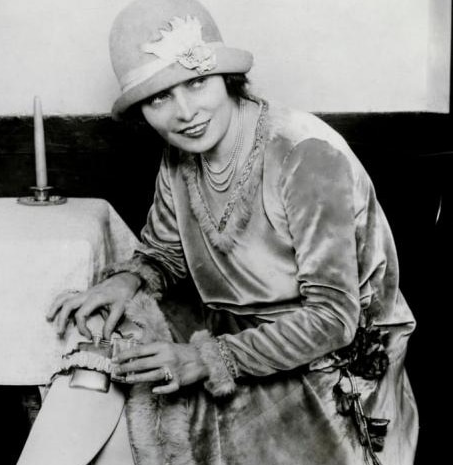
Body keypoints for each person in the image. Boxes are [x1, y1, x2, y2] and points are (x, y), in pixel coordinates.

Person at [41, 0, 419, 464]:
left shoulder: (305, 155)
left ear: (226, 77)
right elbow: (165, 250)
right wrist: (128, 279)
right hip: (229, 329)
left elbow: (332, 320)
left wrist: (204, 360)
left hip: (328, 362)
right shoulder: (180, 156)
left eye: (196, 82)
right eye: (159, 97)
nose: (185, 113)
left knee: (172, 420)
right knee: (102, 366)